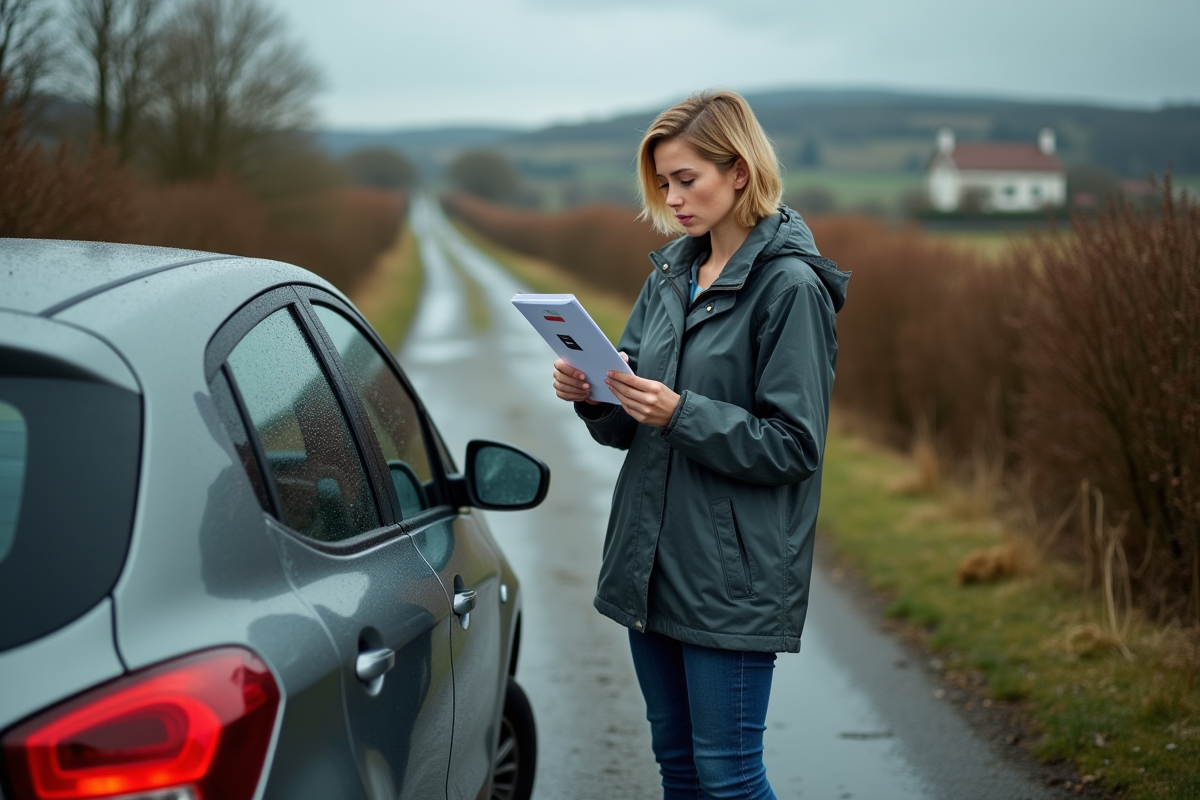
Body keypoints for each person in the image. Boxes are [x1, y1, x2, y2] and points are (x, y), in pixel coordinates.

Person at [551, 90, 848, 800]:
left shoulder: (791, 289)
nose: (673, 199)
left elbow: (793, 446)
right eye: (663, 184)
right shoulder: (671, 276)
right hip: (647, 566)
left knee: (729, 779)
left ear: (739, 171)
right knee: (679, 770)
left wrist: (681, 413)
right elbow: (630, 419)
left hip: (730, 580)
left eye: (687, 180)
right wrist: (594, 392)